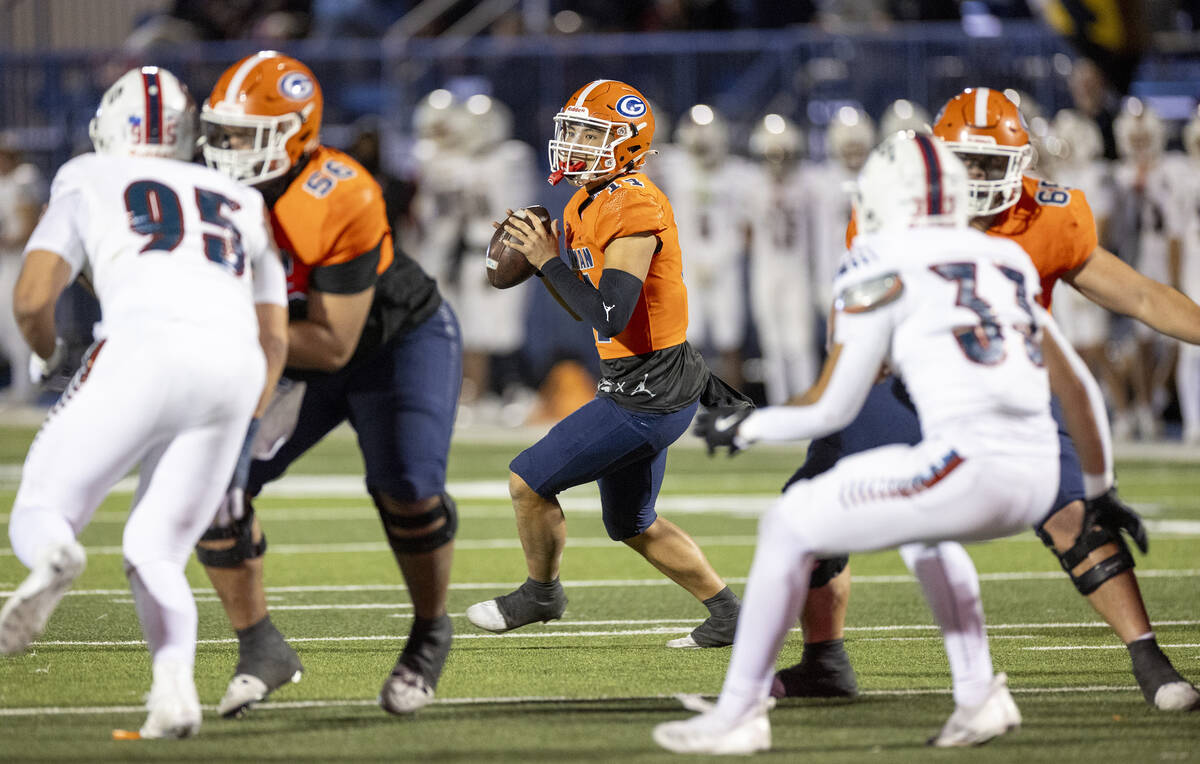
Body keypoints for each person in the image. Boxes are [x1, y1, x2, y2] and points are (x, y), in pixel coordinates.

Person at [773, 87, 1200, 713]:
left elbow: (1140, 297)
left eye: (988, 163)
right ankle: (825, 661)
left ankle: (1150, 659)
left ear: (1021, 164)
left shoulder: (1049, 215)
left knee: (1072, 516)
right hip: (909, 384)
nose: (974, 177)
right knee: (805, 509)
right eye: (964, 161)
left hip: (1009, 387)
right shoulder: (891, 206)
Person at [655, 132, 1058, 754]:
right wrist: (1102, 483)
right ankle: (980, 696)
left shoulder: (879, 259)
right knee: (924, 530)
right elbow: (1075, 382)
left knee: (790, 522)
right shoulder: (1005, 256)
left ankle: (737, 714)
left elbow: (835, 405)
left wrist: (745, 425)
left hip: (972, 468)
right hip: (1038, 470)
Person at [0, 66, 288, 739]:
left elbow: (32, 297)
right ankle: (174, 694)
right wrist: (243, 410)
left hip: (141, 346)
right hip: (234, 363)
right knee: (157, 546)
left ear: (108, 128)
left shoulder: (87, 175)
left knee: (42, 510)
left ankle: (56, 557)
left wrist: (44, 353)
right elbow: (274, 333)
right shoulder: (235, 194)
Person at [196, 51, 463, 717]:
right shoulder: (203, 190)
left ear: (294, 133)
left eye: (244, 135)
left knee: (407, 487)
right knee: (206, 489)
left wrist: (217, 324)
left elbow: (333, 341)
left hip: (389, 344)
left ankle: (430, 632)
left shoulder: (339, 190)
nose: (227, 148)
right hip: (284, 348)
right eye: (222, 132)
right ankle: (260, 646)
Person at [464, 79, 747, 649]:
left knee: (527, 481)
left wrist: (546, 261)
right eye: (571, 129)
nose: (574, 142)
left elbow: (610, 315)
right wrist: (539, 262)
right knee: (632, 524)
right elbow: (584, 299)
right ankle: (730, 615)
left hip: (651, 388)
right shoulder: (586, 200)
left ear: (630, 143)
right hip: (639, 377)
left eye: (591, 133)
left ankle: (541, 593)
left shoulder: (634, 203)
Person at [658, 103, 752, 388]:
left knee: (730, 338)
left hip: (725, 262)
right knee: (688, 336)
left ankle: (733, 402)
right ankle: (688, 403)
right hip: (687, 259)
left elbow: (746, 229)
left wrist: (726, 256)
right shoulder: (676, 166)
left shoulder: (738, 173)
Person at [744, 112, 819, 405]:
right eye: (771, 154)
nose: (777, 161)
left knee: (800, 343)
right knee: (773, 344)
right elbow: (746, 232)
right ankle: (780, 406)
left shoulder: (808, 185)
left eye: (782, 154)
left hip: (796, 270)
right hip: (766, 270)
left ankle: (806, 404)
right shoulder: (752, 187)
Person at [0, 135, 45, 405]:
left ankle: (26, 387)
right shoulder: (5, 182)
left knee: (18, 323)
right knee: (5, 325)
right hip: (6, 260)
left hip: (20, 261)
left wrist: (6, 240)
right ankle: (20, 385)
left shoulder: (24, 179)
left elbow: (28, 226)